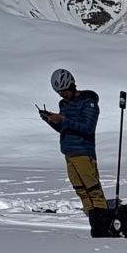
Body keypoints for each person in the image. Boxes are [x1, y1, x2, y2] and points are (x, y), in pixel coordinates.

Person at [40, 68, 107, 215]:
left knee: (93, 189)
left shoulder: (88, 103)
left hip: (83, 152)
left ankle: (102, 217)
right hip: (69, 152)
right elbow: (65, 128)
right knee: (80, 189)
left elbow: (88, 128)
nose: (63, 95)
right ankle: (91, 214)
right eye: (59, 93)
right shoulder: (64, 104)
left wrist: (63, 119)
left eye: (64, 91)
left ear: (71, 85)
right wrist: (50, 121)